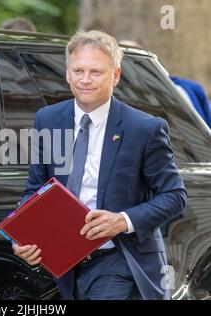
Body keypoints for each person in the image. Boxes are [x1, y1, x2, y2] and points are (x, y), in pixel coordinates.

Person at [12, 30, 187, 300]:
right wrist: (21, 238)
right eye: (78, 70)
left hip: (120, 259)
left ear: (115, 76)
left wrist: (122, 221)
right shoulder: (47, 119)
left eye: (96, 72)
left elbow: (175, 196)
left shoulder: (144, 128)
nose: (85, 80)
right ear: (67, 73)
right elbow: (36, 189)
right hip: (65, 263)